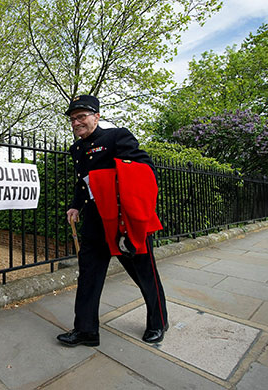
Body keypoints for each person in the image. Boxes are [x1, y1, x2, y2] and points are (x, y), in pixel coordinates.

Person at [57, 95, 168, 347]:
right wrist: (76, 205)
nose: (76, 122)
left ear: (96, 116)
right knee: (88, 277)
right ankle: (86, 331)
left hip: (123, 220)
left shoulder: (117, 136)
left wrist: (108, 180)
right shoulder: (76, 149)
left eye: (81, 117)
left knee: (144, 274)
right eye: (72, 119)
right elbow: (82, 182)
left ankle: (158, 321)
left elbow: (143, 167)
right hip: (95, 221)